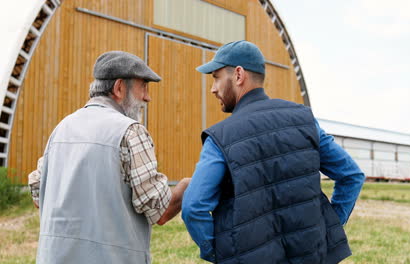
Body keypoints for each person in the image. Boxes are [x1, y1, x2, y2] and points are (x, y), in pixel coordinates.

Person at [181, 40, 365, 264]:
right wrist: (330, 226)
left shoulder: (220, 136)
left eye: (216, 77)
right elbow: (351, 175)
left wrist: (217, 252)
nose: (213, 88)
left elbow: (193, 207)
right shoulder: (305, 120)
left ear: (238, 75)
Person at [28, 51, 190, 264]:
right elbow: (159, 210)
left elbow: (38, 191)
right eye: (144, 86)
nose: (147, 97)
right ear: (120, 87)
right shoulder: (131, 131)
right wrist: (188, 186)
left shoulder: (62, 128)